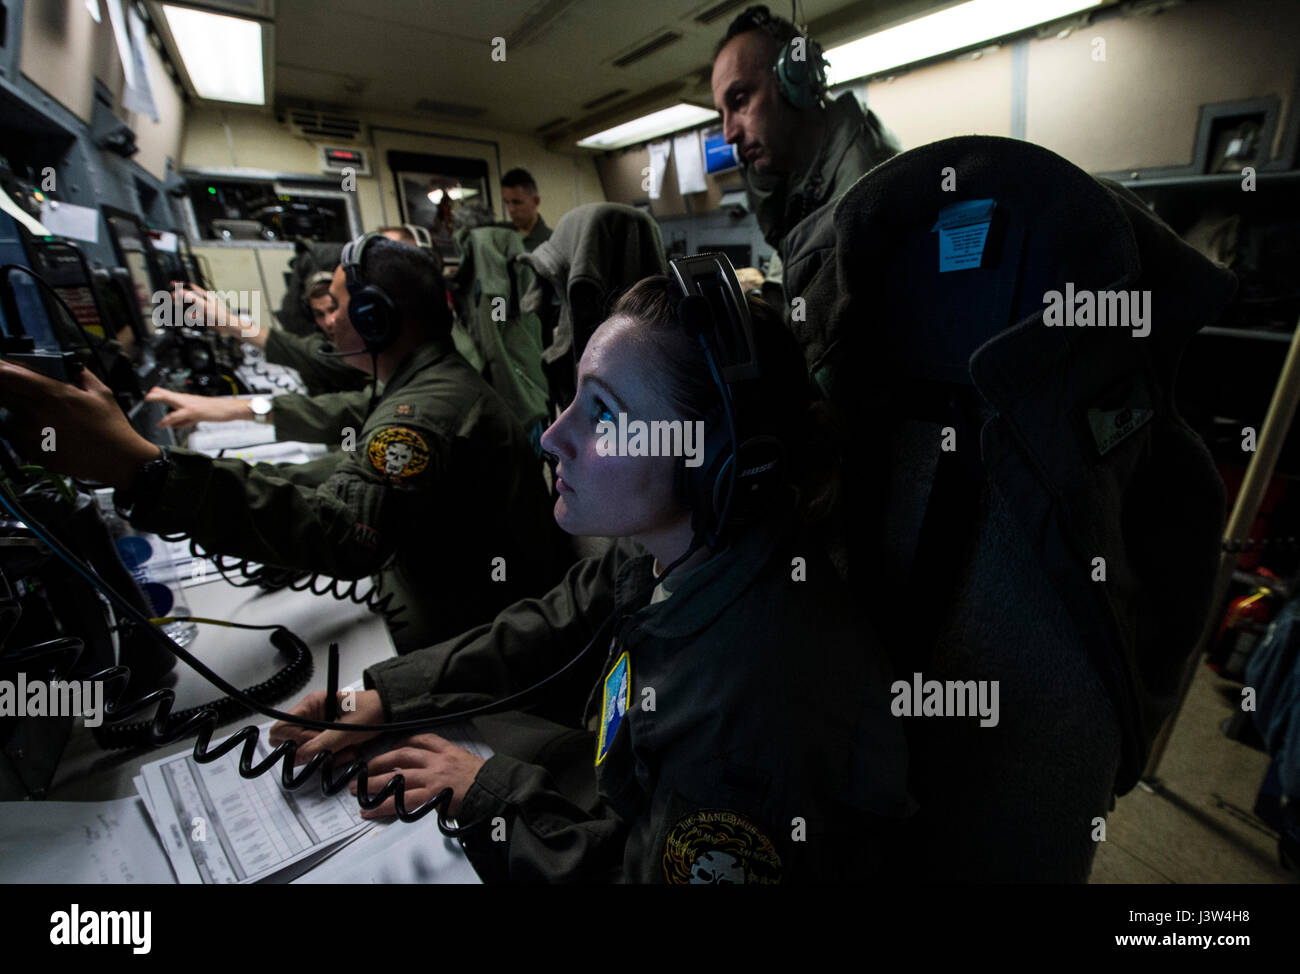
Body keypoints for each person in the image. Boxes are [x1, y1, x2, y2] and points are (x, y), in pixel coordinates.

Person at [269, 270, 912, 883]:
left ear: (714, 464)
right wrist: (387, 694)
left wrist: (485, 795)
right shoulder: (675, 549)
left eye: (604, 415)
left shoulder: (751, 724)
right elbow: (548, 623)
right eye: (573, 397)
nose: (552, 437)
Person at [0, 235, 559, 655]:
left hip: (480, 635)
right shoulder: (420, 382)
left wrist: (143, 469)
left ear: (378, 319)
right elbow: (346, 466)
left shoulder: (425, 410)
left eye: (339, 308)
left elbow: (343, 535)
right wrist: (172, 470)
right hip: (460, 607)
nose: (329, 323)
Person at [145, 227, 433, 444]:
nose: (334, 321)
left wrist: (234, 408)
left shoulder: (428, 373)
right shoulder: (409, 354)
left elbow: (343, 408)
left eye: (341, 307)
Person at [711, 5, 898, 296]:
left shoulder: (866, 189)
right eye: (722, 113)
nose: (728, 134)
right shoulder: (799, 176)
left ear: (795, 78)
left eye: (739, 100)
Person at [500, 168, 551, 252]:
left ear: (536, 201)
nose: (511, 209)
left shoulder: (550, 242)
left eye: (517, 202)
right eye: (507, 202)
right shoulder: (501, 235)